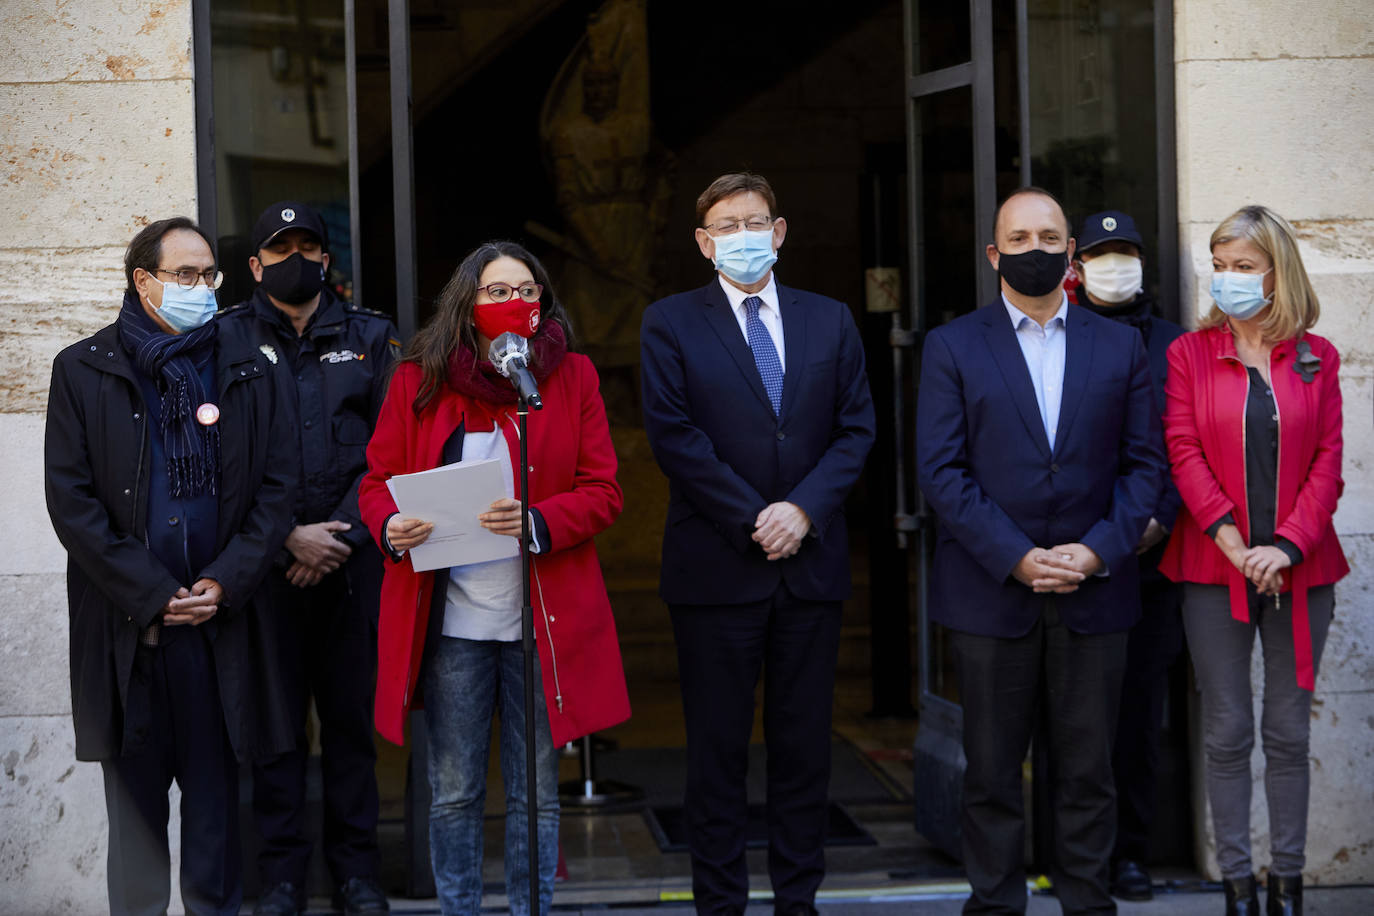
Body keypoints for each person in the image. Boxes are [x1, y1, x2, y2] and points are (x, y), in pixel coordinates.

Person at [359, 241, 630, 915]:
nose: (516, 303)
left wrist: (537, 519)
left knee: (535, 791)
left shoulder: (572, 379)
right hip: (453, 626)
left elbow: (604, 490)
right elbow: (375, 482)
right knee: (454, 791)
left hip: (542, 624)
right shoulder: (417, 379)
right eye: (498, 292)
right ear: (469, 305)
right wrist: (391, 525)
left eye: (527, 290)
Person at [915, 187, 1166, 915]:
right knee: (991, 775)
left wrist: (1096, 552)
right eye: (1019, 239)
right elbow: (940, 469)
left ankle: (1089, 903)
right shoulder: (953, 345)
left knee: (1090, 772)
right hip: (992, 595)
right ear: (994, 254)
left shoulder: (1119, 346)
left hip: (1098, 590)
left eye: (1050, 237)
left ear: (1073, 257)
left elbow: (1145, 466)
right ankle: (996, 904)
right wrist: (1018, 556)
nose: (1036, 250)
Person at [44, 217, 297, 915]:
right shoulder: (82, 369)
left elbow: (278, 489)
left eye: (209, 275)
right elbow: (72, 505)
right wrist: (154, 592)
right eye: (185, 275)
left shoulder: (248, 362)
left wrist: (227, 578)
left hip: (219, 638)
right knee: (137, 844)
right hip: (132, 640)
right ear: (144, 281)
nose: (203, 288)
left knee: (217, 836)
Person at [640, 172, 875, 916]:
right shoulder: (670, 322)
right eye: (726, 225)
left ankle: (798, 902)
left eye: (756, 221)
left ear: (779, 232)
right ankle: (720, 904)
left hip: (810, 569)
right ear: (706, 244)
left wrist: (801, 511)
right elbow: (676, 439)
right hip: (716, 571)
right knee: (717, 755)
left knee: (804, 753)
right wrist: (755, 517)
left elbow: (856, 429)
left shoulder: (831, 320)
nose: (744, 235)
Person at [1159, 205, 1347, 916]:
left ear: (1278, 271)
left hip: (1302, 568)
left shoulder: (1317, 356)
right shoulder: (1189, 353)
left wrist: (1287, 545)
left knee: (1288, 731)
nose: (1229, 278)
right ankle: (1237, 883)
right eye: (1222, 265)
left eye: (1244, 266)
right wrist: (1236, 543)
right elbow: (1183, 450)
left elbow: (1330, 459)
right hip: (1214, 568)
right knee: (1229, 729)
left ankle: (1288, 884)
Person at [218, 201, 397, 916]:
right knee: (276, 732)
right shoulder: (224, 340)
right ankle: (284, 878)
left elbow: (392, 450)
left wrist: (341, 535)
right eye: (280, 247)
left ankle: (358, 875)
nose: (297, 257)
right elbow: (222, 459)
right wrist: (288, 533)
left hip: (351, 567)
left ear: (327, 259)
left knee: (351, 726)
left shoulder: (371, 336)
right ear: (255, 264)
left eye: (309, 246)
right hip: (267, 569)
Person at [1072, 210, 1186, 902]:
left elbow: (1188, 442)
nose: (1117, 265)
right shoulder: (1063, 334)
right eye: (1102, 254)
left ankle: (1132, 854)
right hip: (1077, 560)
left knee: (1139, 715)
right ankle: (1072, 850)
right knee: (1077, 717)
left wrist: (1158, 518)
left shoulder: (1176, 347)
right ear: (1077, 268)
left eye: (1127, 253)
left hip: (1151, 563)